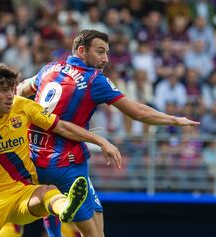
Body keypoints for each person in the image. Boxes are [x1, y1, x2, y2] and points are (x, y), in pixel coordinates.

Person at [17, 29, 200, 237]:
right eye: (100, 52)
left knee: (56, 201)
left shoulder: (49, 67)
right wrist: (174, 119)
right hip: (66, 164)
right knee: (95, 233)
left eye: (107, 53)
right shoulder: (94, 79)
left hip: (33, 157)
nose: (105, 59)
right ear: (82, 51)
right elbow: (138, 112)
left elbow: (21, 90)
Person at [0, 63, 122, 237]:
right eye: (4, 91)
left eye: (13, 90)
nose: (10, 96)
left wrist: (99, 140)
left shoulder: (24, 106)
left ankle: (66, 208)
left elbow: (62, 127)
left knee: (49, 191)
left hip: (25, 191)